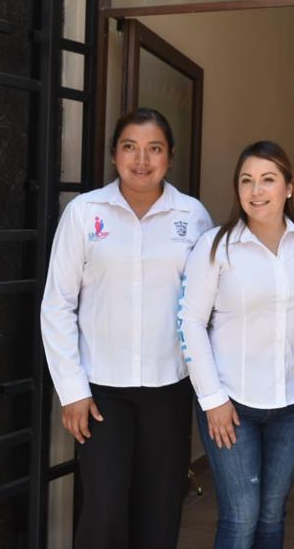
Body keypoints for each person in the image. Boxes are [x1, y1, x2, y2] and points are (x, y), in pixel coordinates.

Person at [40, 107, 213, 549]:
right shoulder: (84, 213)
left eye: (154, 148)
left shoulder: (193, 217)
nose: (142, 160)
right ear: (114, 154)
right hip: (102, 393)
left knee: (160, 510)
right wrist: (72, 390)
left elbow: (208, 305)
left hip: (169, 387)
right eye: (130, 147)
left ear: (170, 156)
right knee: (104, 513)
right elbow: (58, 305)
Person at [178, 141, 294, 548]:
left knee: (272, 515)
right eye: (246, 181)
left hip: (292, 404)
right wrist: (212, 400)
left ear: (289, 187)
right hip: (231, 404)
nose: (256, 191)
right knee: (241, 518)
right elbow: (189, 321)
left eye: (268, 180)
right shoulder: (216, 247)